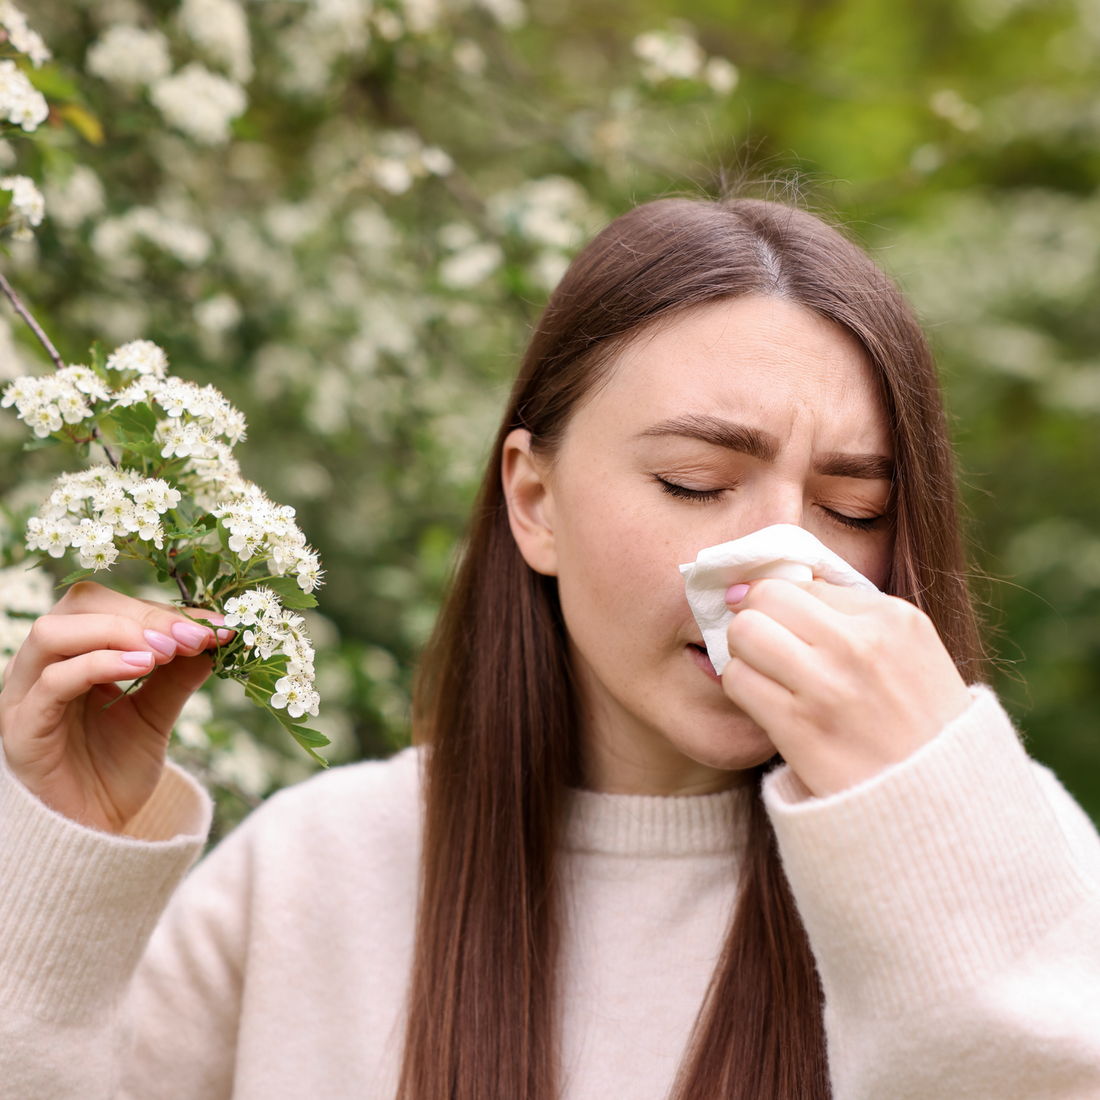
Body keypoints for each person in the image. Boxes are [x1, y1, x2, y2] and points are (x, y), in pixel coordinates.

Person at [1, 196, 1099, 1100]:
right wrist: (51, 874)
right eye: (693, 484)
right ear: (534, 501)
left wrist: (921, 826)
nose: (778, 560)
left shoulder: (1008, 851)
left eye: (852, 506)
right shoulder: (314, 876)